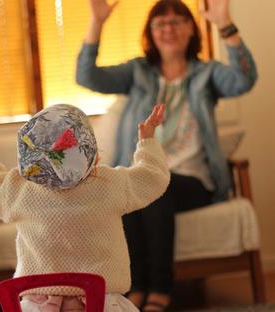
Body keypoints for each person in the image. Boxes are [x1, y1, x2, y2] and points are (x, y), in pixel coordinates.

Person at [76, 0, 257, 310]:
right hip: (145, 174)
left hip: (194, 179)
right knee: (135, 187)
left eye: (176, 21)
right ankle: (137, 287)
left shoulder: (207, 73)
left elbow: (244, 80)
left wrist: (225, 24)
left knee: (156, 187)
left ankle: (159, 287)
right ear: (151, 32)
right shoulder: (137, 72)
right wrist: (97, 22)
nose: (168, 29)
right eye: (160, 23)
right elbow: (87, 77)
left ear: (191, 29)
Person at [0, 103, 170, 312]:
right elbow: (152, 178)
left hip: (36, 306)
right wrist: (147, 141)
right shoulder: (109, 185)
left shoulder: (20, 190)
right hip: (100, 303)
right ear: (93, 155)